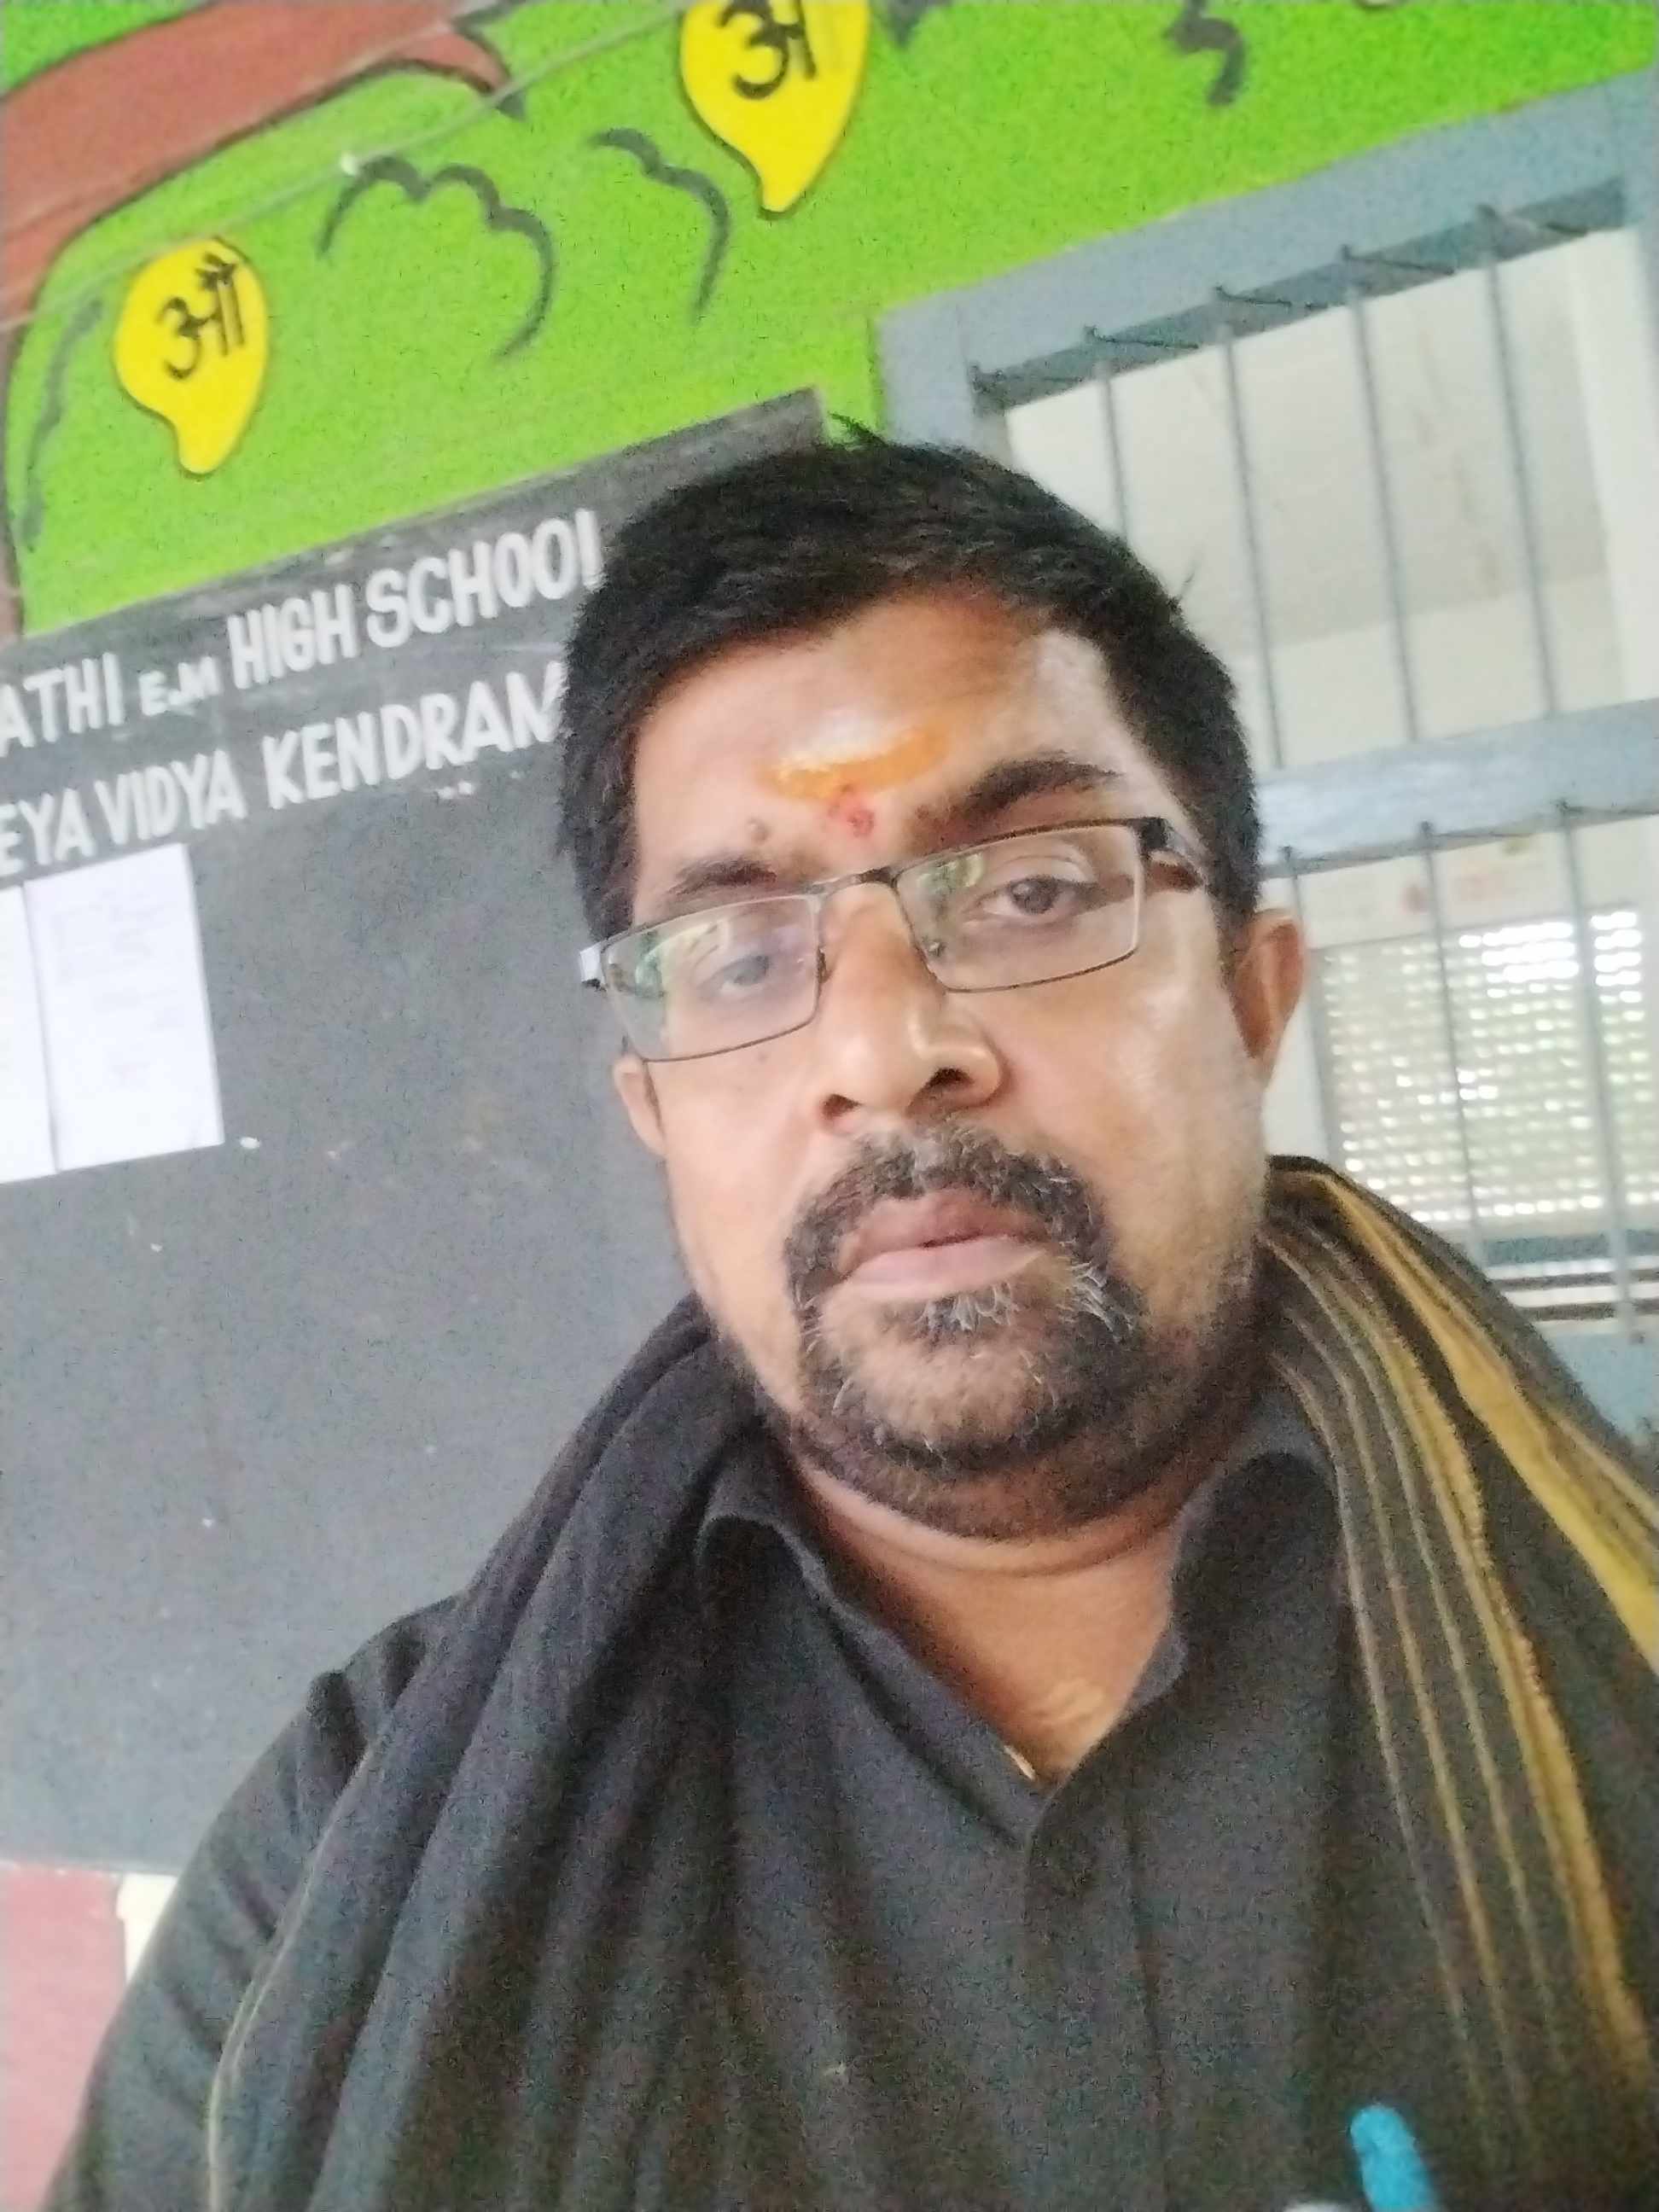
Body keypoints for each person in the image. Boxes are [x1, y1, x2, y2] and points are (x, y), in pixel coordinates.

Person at [49, 439, 1658, 2212]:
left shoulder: (1622, 1633)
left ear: (1252, 1001)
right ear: (658, 1114)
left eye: (1033, 889)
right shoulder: (354, 1848)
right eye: (742, 953)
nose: (886, 1051)